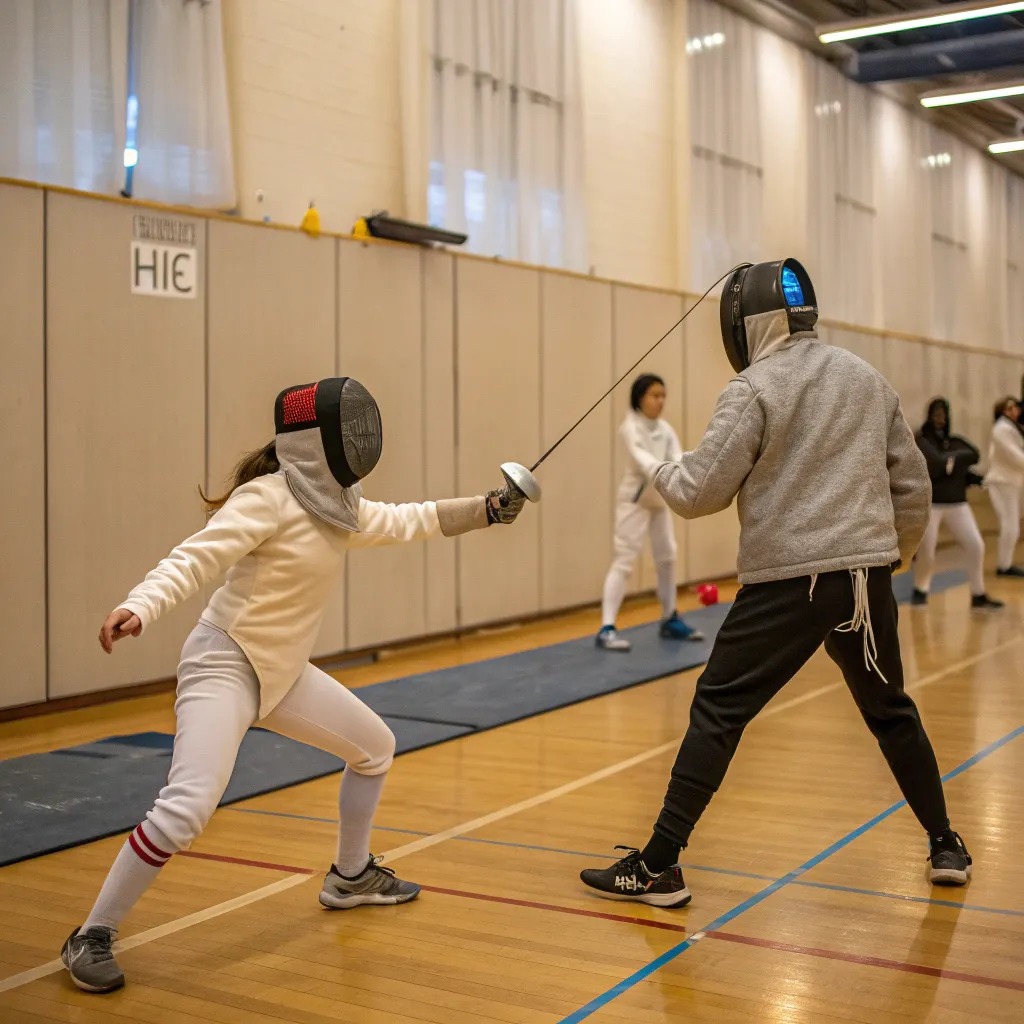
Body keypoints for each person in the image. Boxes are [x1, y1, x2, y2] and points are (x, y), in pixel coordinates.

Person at [61, 377, 529, 993]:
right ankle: (91, 934)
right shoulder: (267, 498)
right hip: (225, 663)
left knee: (374, 747)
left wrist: (488, 509)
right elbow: (196, 556)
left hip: (280, 673)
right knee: (188, 806)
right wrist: (141, 606)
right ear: (319, 444)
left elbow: (408, 519)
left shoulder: (339, 505)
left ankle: (351, 875)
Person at [579, 259, 971, 909]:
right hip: (864, 581)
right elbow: (914, 484)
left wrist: (651, 466)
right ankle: (946, 844)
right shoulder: (865, 376)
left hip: (791, 582)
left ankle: (657, 868)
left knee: (718, 707)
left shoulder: (754, 388)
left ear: (745, 324)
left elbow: (699, 491)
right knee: (890, 710)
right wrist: (884, 561)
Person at [595, 374, 704, 651]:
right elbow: (645, 462)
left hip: (658, 503)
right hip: (634, 503)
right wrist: (669, 471)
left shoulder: (665, 428)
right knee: (624, 561)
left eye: (663, 395)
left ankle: (669, 618)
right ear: (640, 397)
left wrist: (692, 469)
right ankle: (607, 627)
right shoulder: (630, 428)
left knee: (667, 557)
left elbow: (678, 456)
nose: (660, 401)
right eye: (655, 395)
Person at [911, 398, 1002, 609]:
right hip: (932, 505)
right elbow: (936, 464)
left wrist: (952, 463)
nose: (940, 417)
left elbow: (974, 454)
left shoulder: (954, 441)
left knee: (976, 546)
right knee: (927, 551)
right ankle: (920, 588)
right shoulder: (922, 440)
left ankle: (978, 594)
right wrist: (952, 463)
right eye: (936, 412)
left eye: (943, 413)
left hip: (957, 504)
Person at [985, 396, 1024, 577]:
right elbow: (1014, 455)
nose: (1014, 411)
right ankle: (1004, 566)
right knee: (1010, 525)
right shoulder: (1002, 428)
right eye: (1009, 408)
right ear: (1002, 411)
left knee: (1012, 524)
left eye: (1015, 407)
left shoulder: (1011, 428)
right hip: (1003, 481)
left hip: (1012, 481)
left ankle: (1005, 564)